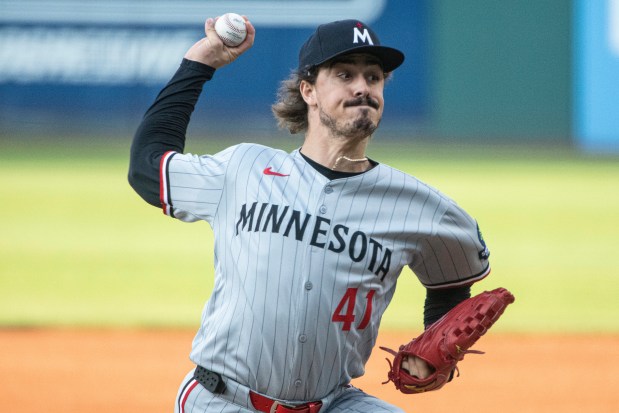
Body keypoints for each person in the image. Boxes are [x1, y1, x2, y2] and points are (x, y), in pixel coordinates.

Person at [129, 15, 491, 413]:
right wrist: (201, 62)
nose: (362, 87)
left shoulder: (421, 207)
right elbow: (148, 167)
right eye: (344, 74)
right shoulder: (242, 169)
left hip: (334, 402)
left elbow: (452, 284)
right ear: (308, 91)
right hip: (223, 399)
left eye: (373, 77)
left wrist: (432, 342)